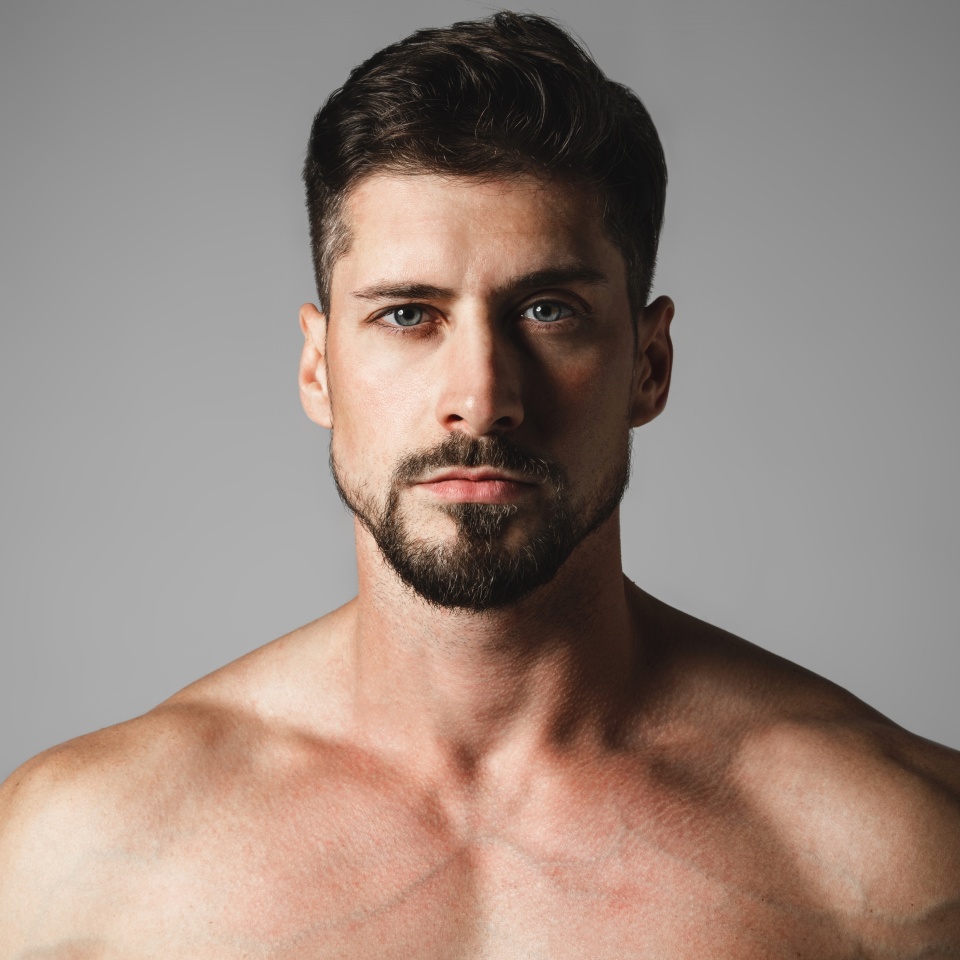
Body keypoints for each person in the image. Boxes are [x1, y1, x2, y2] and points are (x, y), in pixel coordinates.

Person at [1, 11, 958, 958]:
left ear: (649, 364)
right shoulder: (82, 853)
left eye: (548, 311)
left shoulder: (896, 855)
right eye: (409, 314)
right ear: (318, 369)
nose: (482, 398)